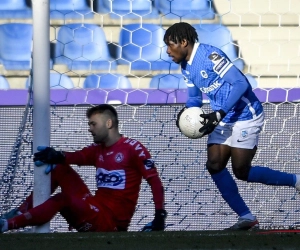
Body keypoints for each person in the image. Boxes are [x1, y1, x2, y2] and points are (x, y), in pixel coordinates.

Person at [164, 22, 300, 230]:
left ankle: (295, 180)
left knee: (241, 170)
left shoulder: (211, 56)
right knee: (214, 164)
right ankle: (246, 217)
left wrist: (219, 112)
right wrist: (186, 114)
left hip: (245, 115)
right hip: (222, 117)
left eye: (170, 45)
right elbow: (194, 98)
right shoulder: (186, 67)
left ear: (183, 42)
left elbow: (241, 84)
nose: (167, 51)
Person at [0, 104, 167, 233]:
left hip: (110, 224)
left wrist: (159, 215)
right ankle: (20, 211)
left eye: (93, 124)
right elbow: (76, 156)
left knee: (63, 198)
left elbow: (154, 181)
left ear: (108, 123)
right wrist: (57, 155)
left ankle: (7, 225)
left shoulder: (133, 148)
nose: (90, 128)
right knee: (58, 167)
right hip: (95, 210)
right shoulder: (97, 149)